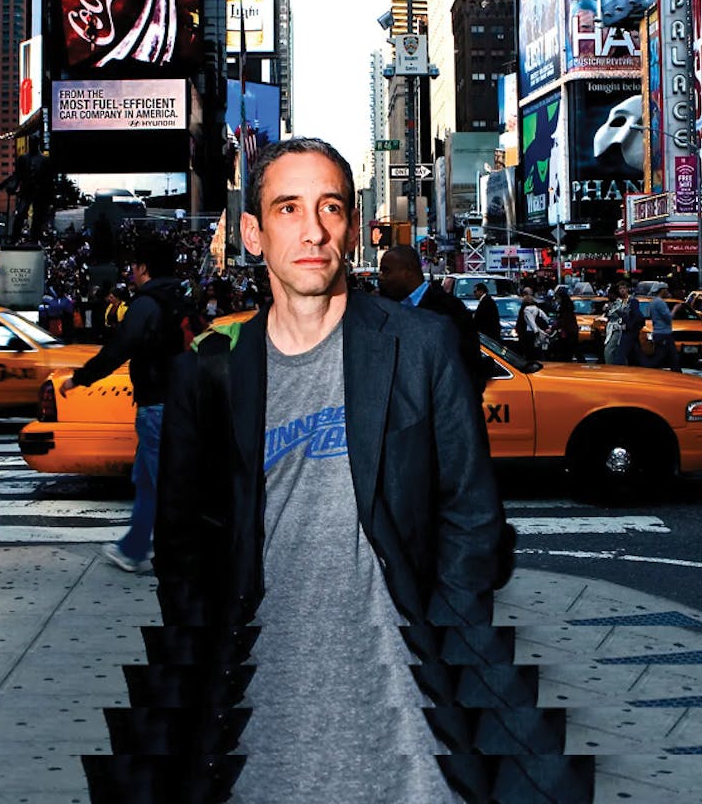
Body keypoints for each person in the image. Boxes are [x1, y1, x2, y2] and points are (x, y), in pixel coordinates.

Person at [148, 138, 582, 804]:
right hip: (260, 681)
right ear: (253, 234)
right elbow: (181, 539)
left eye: (329, 208)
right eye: (287, 208)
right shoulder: (208, 372)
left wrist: (447, 633)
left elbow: (471, 511)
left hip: (401, 677)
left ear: (351, 226)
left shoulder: (422, 347)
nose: (313, 229)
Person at [60, 240, 187, 574]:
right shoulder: (181, 299)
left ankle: (177, 555)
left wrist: (81, 378)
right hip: (180, 401)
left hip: (156, 405)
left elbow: (120, 347)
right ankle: (134, 548)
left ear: (145, 268)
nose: (131, 273)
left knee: (162, 483)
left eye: (134, 267)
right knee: (147, 479)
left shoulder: (146, 304)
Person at [378, 245, 485, 396]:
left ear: (408, 271)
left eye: (386, 271)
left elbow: (469, 366)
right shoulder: (382, 311)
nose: (381, 277)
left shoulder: (448, 311)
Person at [646, 287, 682, 373]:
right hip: (664, 334)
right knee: (661, 357)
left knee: (671, 357)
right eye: (666, 290)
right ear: (662, 291)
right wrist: (675, 309)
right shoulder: (660, 303)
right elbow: (669, 317)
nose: (668, 292)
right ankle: (652, 371)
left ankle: (677, 372)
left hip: (659, 333)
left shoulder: (653, 302)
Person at [514, 288, 552, 360]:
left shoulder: (525, 309)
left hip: (527, 332)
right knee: (536, 350)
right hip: (533, 332)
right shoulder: (537, 308)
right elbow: (545, 319)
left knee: (528, 351)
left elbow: (525, 321)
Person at [602, 282, 632, 365]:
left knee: (609, 350)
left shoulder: (628, 301)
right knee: (616, 351)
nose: (622, 290)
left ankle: (611, 367)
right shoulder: (615, 302)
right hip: (613, 328)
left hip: (620, 328)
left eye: (624, 288)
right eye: (620, 288)